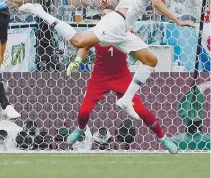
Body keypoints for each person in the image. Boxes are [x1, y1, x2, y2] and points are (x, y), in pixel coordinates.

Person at [19, 0, 195, 119]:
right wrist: (178, 21)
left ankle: (126, 100)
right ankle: (40, 11)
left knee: (151, 60)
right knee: (78, 41)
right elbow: (156, 2)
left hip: (123, 30)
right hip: (115, 23)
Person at [64, 10, 178, 154]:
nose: (106, 17)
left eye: (109, 15)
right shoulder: (96, 32)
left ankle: (163, 138)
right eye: (103, 15)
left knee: (141, 110)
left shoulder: (126, 32)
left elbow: (139, 48)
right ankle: (80, 129)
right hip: (100, 78)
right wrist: (77, 61)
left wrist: (146, 63)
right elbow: (84, 46)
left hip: (122, 77)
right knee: (84, 111)